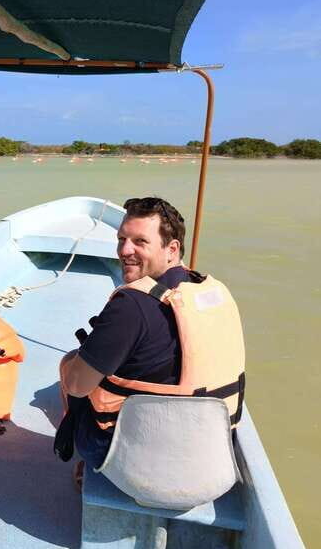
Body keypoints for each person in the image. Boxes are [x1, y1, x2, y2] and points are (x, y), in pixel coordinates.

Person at [57, 196, 245, 485]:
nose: (124, 250)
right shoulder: (214, 292)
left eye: (140, 242)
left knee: (70, 364)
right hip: (212, 467)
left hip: (143, 473)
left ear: (172, 249)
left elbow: (77, 386)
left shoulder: (131, 306)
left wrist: (78, 362)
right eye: (122, 239)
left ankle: (91, 462)